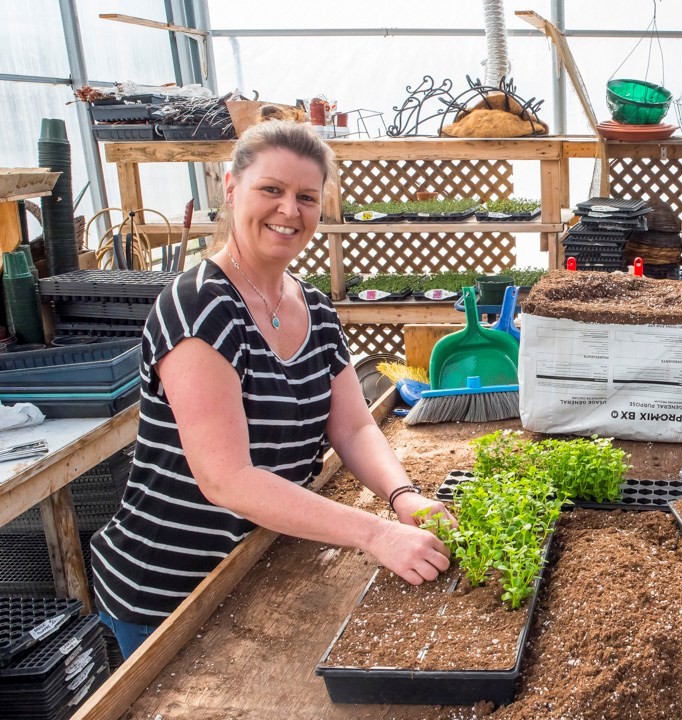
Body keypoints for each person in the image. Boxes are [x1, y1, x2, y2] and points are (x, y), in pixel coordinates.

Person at [91, 120, 453, 658]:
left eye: (307, 197)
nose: (290, 210)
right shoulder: (201, 306)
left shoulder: (315, 306)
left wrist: (402, 497)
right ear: (232, 189)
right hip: (172, 587)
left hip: (258, 558)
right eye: (272, 190)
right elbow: (226, 479)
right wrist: (375, 534)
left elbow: (352, 426)